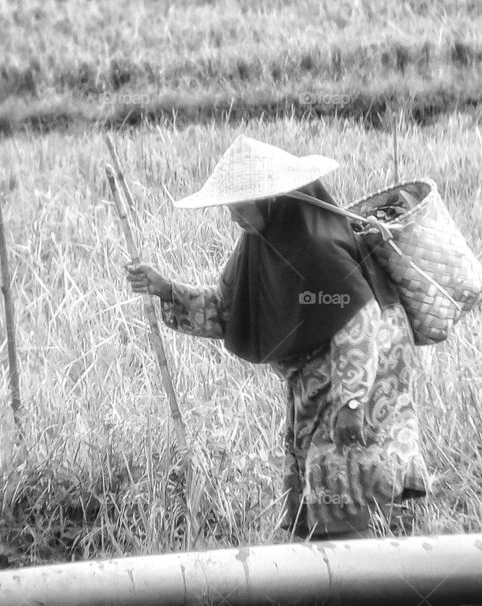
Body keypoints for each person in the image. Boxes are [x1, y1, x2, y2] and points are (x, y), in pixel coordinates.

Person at [125, 136, 429, 540]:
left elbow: (360, 322)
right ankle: (325, 566)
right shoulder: (256, 244)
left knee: (350, 470)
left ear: (269, 199)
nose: (232, 216)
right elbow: (226, 310)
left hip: (368, 371)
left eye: (238, 205)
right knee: (317, 474)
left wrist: (352, 400)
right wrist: (166, 289)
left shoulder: (317, 246)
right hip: (316, 380)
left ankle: (367, 567)